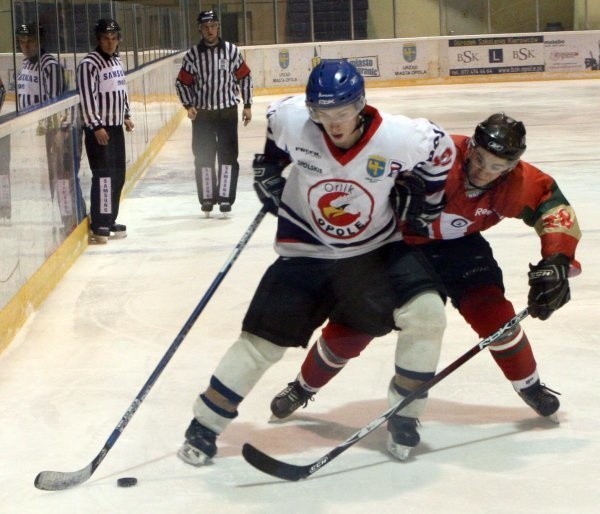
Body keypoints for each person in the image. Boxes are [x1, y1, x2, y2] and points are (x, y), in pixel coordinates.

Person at [177, 59, 456, 467]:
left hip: (374, 253)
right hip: (305, 253)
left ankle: (406, 414)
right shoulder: (292, 119)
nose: (333, 124)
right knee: (260, 346)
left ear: (360, 105)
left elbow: (442, 152)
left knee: (428, 315)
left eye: (342, 113)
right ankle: (205, 425)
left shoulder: (400, 137)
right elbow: (275, 141)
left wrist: (426, 200)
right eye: (322, 114)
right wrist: (271, 168)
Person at [271, 113, 581, 434]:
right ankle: (303, 387)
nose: (482, 172)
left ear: (511, 167)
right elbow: (365, 169)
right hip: (399, 246)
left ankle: (529, 385)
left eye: (496, 167)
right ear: (470, 148)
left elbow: (554, 208)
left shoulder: (518, 183)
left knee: (494, 314)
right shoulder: (434, 156)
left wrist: (557, 259)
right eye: (478, 160)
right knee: (356, 323)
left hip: (460, 249)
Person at [175, 10, 253, 217]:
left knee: (228, 156)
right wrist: (188, 104)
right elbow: (182, 83)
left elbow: (244, 77)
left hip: (227, 112)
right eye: (205, 27)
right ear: (200, 29)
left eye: (213, 26)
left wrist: (247, 104)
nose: (210, 30)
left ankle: (226, 198)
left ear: (218, 27)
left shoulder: (232, 51)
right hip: (203, 115)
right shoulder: (192, 55)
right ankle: (207, 198)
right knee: (203, 156)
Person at [77, 18, 134, 244]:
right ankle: (99, 222)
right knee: (104, 177)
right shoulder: (89, 64)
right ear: (98, 40)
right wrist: (95, 125)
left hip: (116, 126)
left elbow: (121, 90)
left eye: (113, 39)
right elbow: (87, 97)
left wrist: (127, 115)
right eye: (105, 39)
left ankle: (110, 219)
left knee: (118, 175)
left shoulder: (117, 60)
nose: (110, 43)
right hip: (99, 129)